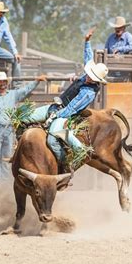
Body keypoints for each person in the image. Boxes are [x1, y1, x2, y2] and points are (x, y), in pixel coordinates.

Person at [23, 29, 108, 164]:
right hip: (57, 106)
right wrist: (87, 41)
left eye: (92, 77)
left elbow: (72, 108)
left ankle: (64, 163)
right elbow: (88, 57)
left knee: (52, 138)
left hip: (66, 115)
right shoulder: (86, 76)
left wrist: (56, 115)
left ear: (96, 80)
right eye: (89, 74)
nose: (88, 77)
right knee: (25, 117)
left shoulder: (89, 92)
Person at [0, 72, 47, 182]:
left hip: (9, 128)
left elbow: (26, 90)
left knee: (7, 156)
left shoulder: (13, 94)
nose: (2, 83)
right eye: (0, 81)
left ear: (7, 83)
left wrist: (36, 81)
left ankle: (5, 181)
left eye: (4, 81)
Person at [105, 16, 132, 81]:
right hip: (112, 67)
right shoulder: (110, 38)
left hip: (125, 68)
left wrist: (119, 49)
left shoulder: (129, 36)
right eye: (116, 27)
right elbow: (106, 50)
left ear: (124, 28)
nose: (118, 29)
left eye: (120, 27)